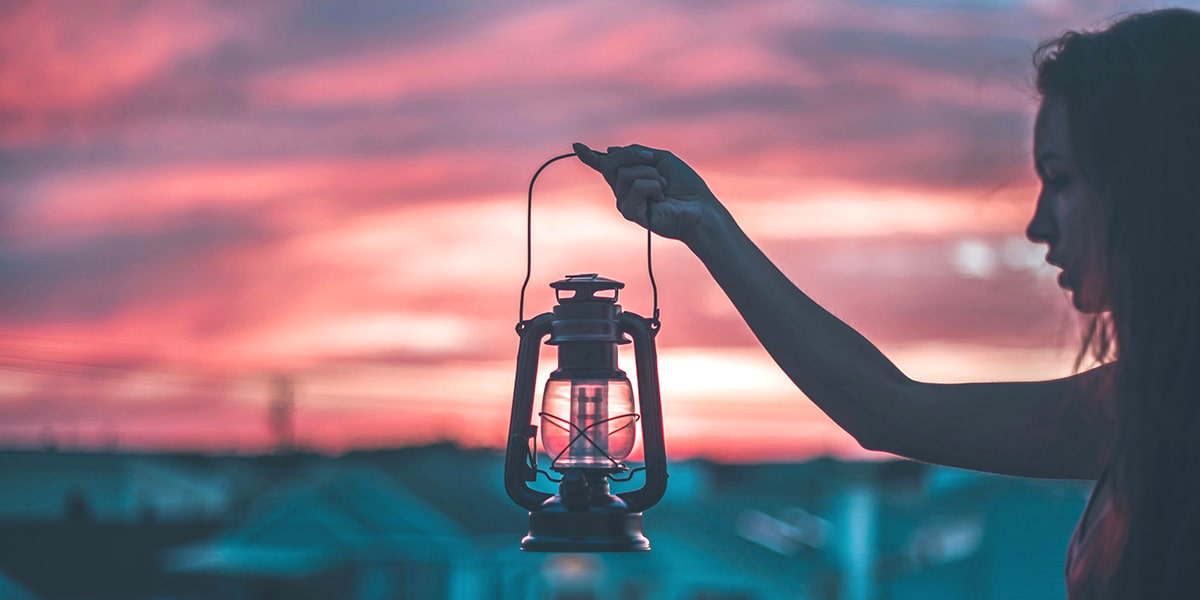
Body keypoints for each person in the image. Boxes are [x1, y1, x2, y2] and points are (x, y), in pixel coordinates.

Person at [574, 7, 1200, 599]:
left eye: (1061, 180)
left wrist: (710, 227)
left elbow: (891, 412)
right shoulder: (1139, 405)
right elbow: (891, 411)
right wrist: (706, 225)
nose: (1037, 225)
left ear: (1152, 181)